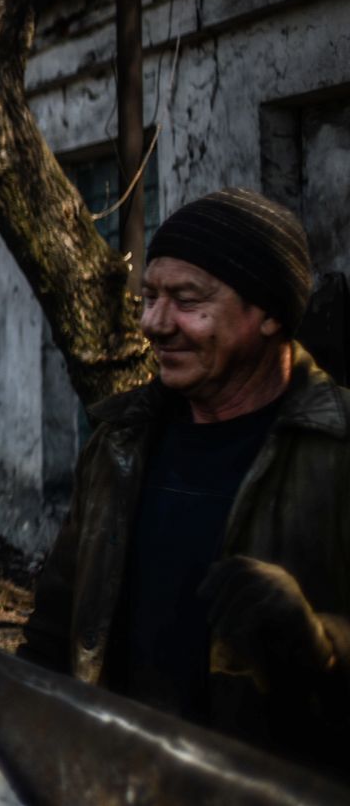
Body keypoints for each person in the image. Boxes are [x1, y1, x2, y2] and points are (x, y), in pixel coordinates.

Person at [18, 188, 350, 772]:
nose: (154, 323)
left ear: (269, 312)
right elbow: (53, 631)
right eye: (149, 298)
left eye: (186, 301)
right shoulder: (119, 443)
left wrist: (320, 645)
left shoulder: (338, 448)